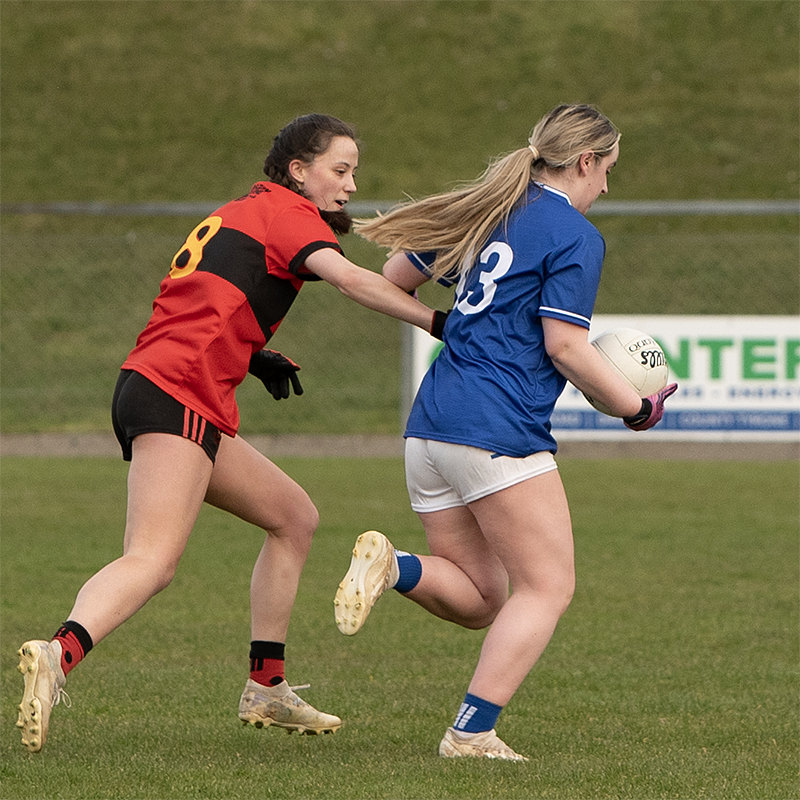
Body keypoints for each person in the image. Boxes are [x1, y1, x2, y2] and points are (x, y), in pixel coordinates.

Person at [15, 113, 448, 754]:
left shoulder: (239, 211)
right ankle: (57, 656)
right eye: (340, 169)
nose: (351, 185)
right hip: (180, 392)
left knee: (293, 517)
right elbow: (355, 279)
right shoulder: (291, 214)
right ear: (298, 171)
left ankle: (266, 687)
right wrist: (441, 323)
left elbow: (201, 298)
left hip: (158, 386)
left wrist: (252, 354)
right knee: (152, 560)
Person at [333, 104, 678, 761]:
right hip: (497, 428)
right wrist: (638, 408)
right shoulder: (574, 234)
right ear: (584, 161)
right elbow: (566, 347)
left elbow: (392, 280)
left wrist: (442, 325)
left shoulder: (487, 210)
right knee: (548, 587)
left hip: (430, 427)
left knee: (481, 597)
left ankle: (393, 566)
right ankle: (470, 733)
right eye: (607, 168)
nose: (607, 184)